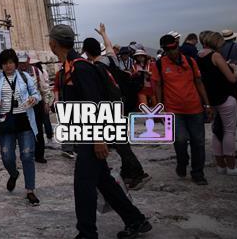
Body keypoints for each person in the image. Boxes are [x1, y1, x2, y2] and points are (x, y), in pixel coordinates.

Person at [49, 24, 150, 239]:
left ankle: (87, 233)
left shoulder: (80, 68)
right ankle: (136, 220)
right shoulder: (69, 67)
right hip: (83, 135)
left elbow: (94, 104)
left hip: (91, 136)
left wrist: (98, 139)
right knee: (103, 182)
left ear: (53, 43)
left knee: (83, 186)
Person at [82, 35, 150, 191]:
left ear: (86, 52)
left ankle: (138, 173)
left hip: (112, 108)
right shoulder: (111, 59)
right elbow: (110, 48)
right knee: (121, 141)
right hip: (123, 104)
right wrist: (104, 34)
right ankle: (127, 172)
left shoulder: (97, 68)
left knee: (121, 144)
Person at [152, 34, 213, 185]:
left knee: (198, 142)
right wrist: (160, 108)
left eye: (174, 48)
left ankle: (197, 172)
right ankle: (182, 161)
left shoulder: (190, 62)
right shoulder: (159, 65)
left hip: (195, 108)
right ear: (164, 49)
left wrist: (207, 105)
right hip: (173, 111)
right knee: (179, 140)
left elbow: (199, 83)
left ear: (177, 45)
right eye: (168, 49)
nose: (172, 52)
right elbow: (158, 87)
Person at [0, 48, 41, 206]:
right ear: (1, 65)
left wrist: (33, 99)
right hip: (6, 121)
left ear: (15, 63)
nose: (8, 66)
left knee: (27, 155)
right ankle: (14, 173)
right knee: (7, 155)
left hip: (24, 120)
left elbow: (37, 94)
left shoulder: (24, 77)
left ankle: (30, 190)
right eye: (5, 63)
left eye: (11, 62)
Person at [196, 31, 237, 175]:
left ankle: (220, 166)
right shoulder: (215, 55)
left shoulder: (198, 56)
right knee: (229, 131)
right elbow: (232, 79)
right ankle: (231, 167)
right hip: (225, 97)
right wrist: (234, 70)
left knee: (216, 131)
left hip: (210, 99)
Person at [19, 52, 53, 163]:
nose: (22, 64)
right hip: (22, 107)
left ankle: (39, 155)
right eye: (20, 62)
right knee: (24, 131)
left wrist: (47, 103)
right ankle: (27, 152)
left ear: (28, 60)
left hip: (36, 105)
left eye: (24, 61)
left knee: (38, 130)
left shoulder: (36, 71)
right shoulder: (15, 73)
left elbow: (45, 88)